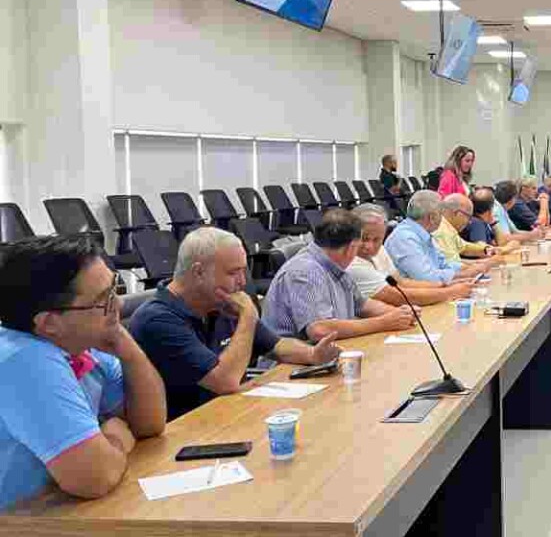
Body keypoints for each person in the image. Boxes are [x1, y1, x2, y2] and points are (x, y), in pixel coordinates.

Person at [0, 237, 166, 509]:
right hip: (20, 521)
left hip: (60, 511)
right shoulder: (23, 360)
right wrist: (116, 436)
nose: (119, 306)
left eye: (115, 290)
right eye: (104, 300)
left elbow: (149, 424)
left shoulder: (81, 345)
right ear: (49, 323)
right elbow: (96, 477)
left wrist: (128, 350)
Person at [130, 228, 341, 420]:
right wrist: (248, 316)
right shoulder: (156, 319)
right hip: (182, 433)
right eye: (233, 273)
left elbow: (277, 345)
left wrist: (312, 354)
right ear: (198, 272)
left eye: (243, 271)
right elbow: (225, 381)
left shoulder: (217, 303)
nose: (242, 282)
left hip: (223, 416)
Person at [264, 209, 418, 341]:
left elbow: (362, 305)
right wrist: (383, 323)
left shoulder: (335, 265)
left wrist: (399, 314)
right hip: (290, 362)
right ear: (351, 248)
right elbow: (319, 330)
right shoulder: (305, 272)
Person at [346, 204, 475, 307]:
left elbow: (400, 282)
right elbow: (396, 296)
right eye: (364, 238)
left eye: (377, 240)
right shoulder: (351, 263)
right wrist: (451, 292)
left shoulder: (380, 250)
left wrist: (446, 284)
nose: (369, 246)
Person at [385, 190, 492, 283]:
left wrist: (470, 268)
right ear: (432, 218)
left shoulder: (424, 234)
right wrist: (466, 274)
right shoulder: (405, 238)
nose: (442, 219)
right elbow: (427, 278)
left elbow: (443, 264)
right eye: (441, 214)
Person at [434, 193, 507, 264]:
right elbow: (454, 265)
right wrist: (485, 262)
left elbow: (464, 247)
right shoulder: (442, 231)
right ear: (457, 213)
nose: (469, 222)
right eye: (468, 217)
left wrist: (486, 249)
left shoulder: (448, 228)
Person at [462, 187, 521, 254]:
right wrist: (507, 248)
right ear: (490, 209)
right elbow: (483, 251)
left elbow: (502, 243)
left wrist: (493, 222)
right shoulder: (476, 223)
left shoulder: (483, 222)